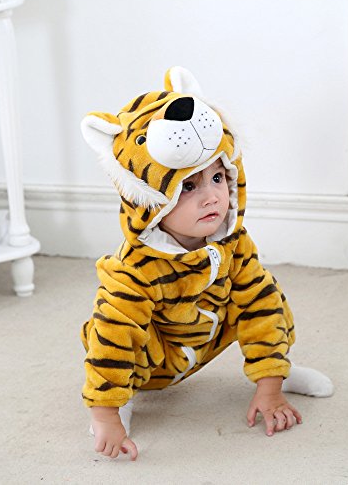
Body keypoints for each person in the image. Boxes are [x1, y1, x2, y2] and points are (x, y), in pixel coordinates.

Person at [80, 67, 333, 461]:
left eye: (217, 178)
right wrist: (106, 413)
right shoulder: (135, 270)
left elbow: (260, 308)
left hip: (207, 334)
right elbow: (113, 336)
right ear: (151, 201)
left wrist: (269, 387)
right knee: (113, 326)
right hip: (156, 359)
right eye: (189, 186)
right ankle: (117, 402)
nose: (213, 197)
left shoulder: (233, 242)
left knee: (264, 293)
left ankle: (275, 369)